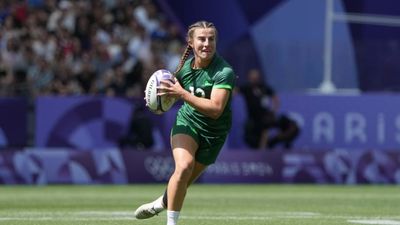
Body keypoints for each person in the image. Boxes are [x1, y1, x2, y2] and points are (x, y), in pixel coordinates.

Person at [134, 21, 236, 225]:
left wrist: (181, 93)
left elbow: (216, 110)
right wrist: (159, 97)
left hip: (214, 134)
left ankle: (161, 203)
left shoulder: (224, 72)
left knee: (183, 182)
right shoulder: (183, 69)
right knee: (184, 167)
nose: (207, 43)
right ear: (190, 41)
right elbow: (167, 93)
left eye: (211, 39)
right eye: (202, 39)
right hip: (187, 123)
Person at [239, 68, 279, 149]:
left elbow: (275, 98)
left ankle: (262, 150)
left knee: (264, 131)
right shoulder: (246, 87)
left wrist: (273, 110)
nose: (254, 79)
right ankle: (256, 152)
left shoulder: (264, 87)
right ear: (249, 78)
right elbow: (234, 91)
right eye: (252, 78)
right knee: (249, 136)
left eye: (256, 77)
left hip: (264, 116)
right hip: (252, 117)